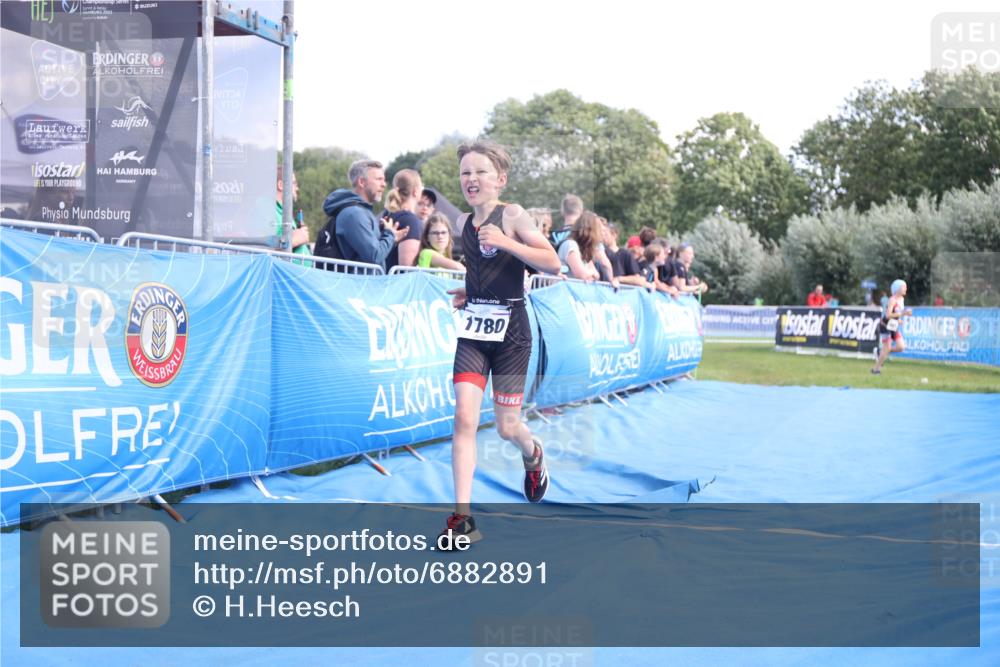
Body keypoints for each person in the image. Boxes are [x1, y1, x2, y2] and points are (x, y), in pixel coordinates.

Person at [441, 141, 561, 547]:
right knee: (464, 419)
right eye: (465, 173)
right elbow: (485, 271)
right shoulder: (461, 224)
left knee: (508, 426)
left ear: (500, 179)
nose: (471, 180)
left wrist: (509, 241)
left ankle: (533, 454)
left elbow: (553, 263)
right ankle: (463, 519)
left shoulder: (511, 214)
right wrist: (468, 291)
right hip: (475, 330)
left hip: (512, 335)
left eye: (480, 172)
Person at [314, 160, 406, 270]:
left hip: (359, 285)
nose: (384, 184)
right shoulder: (354, 214)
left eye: (384, 180)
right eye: (378, 179)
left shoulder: (360, 211)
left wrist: (391, 239)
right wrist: (389, 234)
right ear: (362, 182)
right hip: (355, 286)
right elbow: (374, 257)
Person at [382, 169, 424, 270]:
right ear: (415, 191)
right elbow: (407, 267)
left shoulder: (388, 215)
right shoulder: (410, 220)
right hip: (396, 284)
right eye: (422, 186)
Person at [871, 279, 912, 375]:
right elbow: (888, 315)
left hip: (893, 325)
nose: (906, 288)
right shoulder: (892, 300)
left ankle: (880, 352)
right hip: (885, 325)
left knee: (901, 347)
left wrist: (899, 320)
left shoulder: (902, 299)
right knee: (888, 347)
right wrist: (904, 313)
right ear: (897, 289)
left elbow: (896, 314)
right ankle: (876, 370)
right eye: (904, 287)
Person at [557, 210, 602, 281]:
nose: (600, 234)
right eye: (598, 230)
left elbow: (597, 275)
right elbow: (581, 274)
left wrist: (590, 273)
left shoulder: (584, 250)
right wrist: (591, 273)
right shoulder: (570, 245)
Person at [275, 165, 310, 256]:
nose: (297, 188)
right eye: (294, 183)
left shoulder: (282, 211)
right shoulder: (265, 207)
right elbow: (262, 247)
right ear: (281, 185)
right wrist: (295, 239)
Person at [605, 222, 650, 290]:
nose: (602, 236)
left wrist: (618, 279)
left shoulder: (625, 254)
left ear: (614, 235)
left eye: (605, 234)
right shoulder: (600, 252)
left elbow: (638, 279)